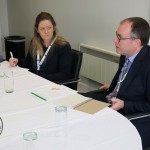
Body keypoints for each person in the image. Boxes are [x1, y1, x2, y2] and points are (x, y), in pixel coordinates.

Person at [82, 17, 150, 148]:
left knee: (88, 131)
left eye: (119, 37)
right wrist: (117, 86)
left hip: (129, 115)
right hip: (112, 100)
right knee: (77, 100)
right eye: (116, 35)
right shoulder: (125, 54)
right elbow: (129, 79)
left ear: (136, 43)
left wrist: (125, 104)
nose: (115, 40)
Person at [9, 12, 72, 83]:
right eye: (42, 29)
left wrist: (44, 78)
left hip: (52, 85)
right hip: (34, 81)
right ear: (37, 30)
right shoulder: (34, 42)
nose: (46, 32)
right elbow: (28, 63)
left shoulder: (63, 46)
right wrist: (17, 61)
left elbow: (64, 74)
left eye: (49, 28)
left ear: (54, 28)